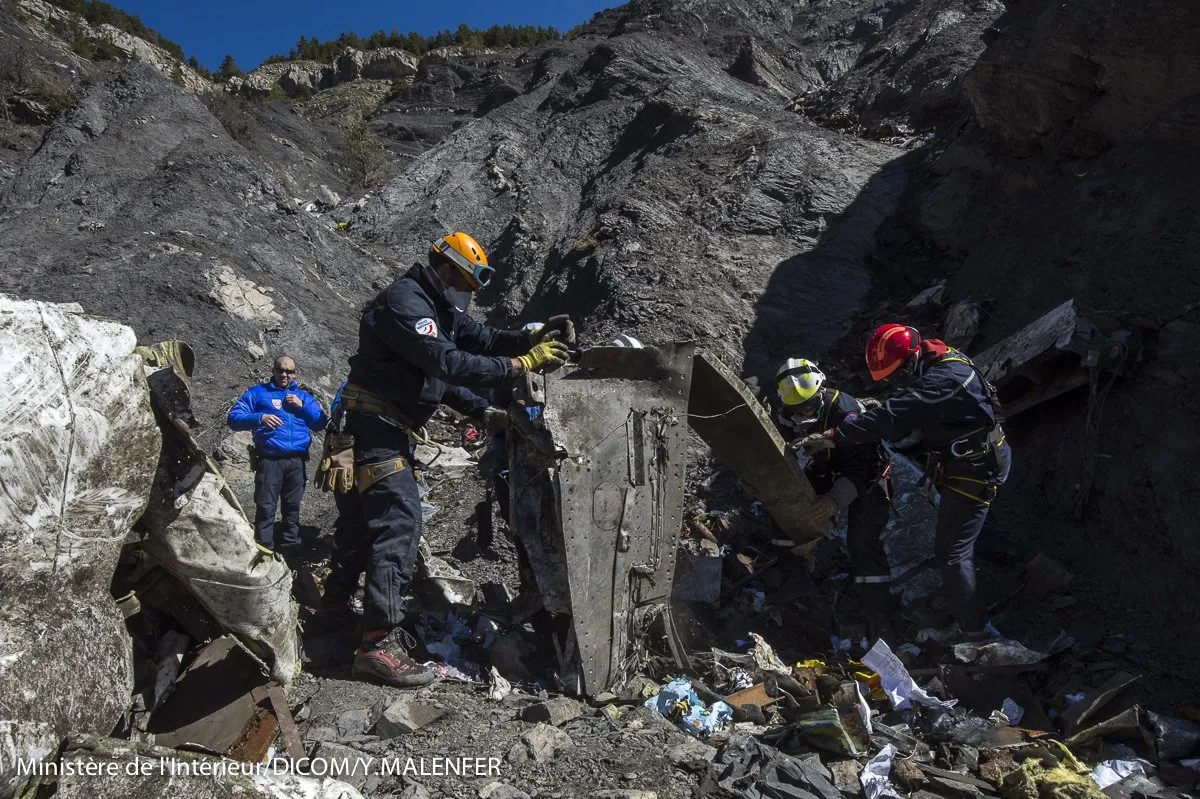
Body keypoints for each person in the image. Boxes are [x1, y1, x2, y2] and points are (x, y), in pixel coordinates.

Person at [327, 230, 575, 688]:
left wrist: (525, 339)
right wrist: (524, 364)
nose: (470, 294)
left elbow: (479, 341)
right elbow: (449, 364)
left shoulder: (437, 309)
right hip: (372, 429)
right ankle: (376, 646)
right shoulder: (406, 302)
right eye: (466, 282)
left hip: (379, 428)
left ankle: (330, 625)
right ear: (444, 270)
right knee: (400, 522)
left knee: (361, 530)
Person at [799, 324, 1009, 640]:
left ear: (910, 361)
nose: (898, 381)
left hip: (974, 466)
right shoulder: (943, 357)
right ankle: (1031, 570)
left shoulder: (940, 382)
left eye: (897, 375)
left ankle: (975, 635)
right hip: (977, 456)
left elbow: (894, 418)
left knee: (951, 554)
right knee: (970, 525)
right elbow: (910, 406)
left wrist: (832, 437)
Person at [774, 358, 894, 640]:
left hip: (867, 475)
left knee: (863, 541)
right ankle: (794, 579)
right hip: (826, 466)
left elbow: (862, 467)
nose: (804, 411)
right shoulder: (785, 410)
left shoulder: (846, 410)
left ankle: (877, 611)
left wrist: (834, 500)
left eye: (809, 404)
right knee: (787, 511)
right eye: (797, 407)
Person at [228, 355, 328, 562]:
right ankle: (263, 550)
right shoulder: (258, 393)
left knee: (292, 507)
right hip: (270, 460)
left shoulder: (302, 397)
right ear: (273, 371)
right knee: (266, 506)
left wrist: (302, 406)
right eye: (280, 370)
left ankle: (291, 551)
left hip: (297, 461)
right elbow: (234, 419)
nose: (284, 374)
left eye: (289, 371)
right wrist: (259, 418)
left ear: (295, 374)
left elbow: (320, 423)